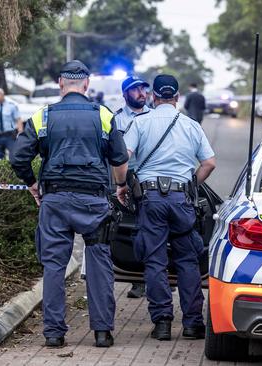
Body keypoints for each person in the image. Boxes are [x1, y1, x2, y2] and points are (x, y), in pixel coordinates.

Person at [10, 60, 129, 349]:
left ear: (61, 84)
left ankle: (53, 334)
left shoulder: (43, 117)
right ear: (86, 85)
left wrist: (32, 183)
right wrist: (122, 186)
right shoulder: (103, 115)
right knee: (100, 265)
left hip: (55, 202)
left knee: (53, 266)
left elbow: (17, 158)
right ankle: (102, 333)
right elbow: (119, 159)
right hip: (94, 202)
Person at [117, 74, 216, 341]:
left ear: (154, 96)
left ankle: (162, 323)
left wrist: (122, 185)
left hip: (150, 200)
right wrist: (190, 185)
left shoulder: (140, 122)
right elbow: (209, 163)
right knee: (187, 260)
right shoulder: (191, 125)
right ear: (177, 97)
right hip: (181, 199)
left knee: (155, 260)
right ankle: (193, 324)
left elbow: (122, 158)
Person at [114, 75, 150, 299]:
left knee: (154, 229)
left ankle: (160, 275)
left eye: (143, 89)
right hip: (126, 179)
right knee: (132, 231)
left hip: (150, 178)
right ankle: (138, 280)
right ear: (125, 94)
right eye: (135, 90)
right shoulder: (116, 120)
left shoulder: (155, 116)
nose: (141, 93)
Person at [0, 88, 23, 160]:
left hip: (10, 136)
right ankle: (2, 171)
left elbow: (18, 119)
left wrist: (20, 132)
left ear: (3, 95)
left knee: (14, 156)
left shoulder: (11, 106)